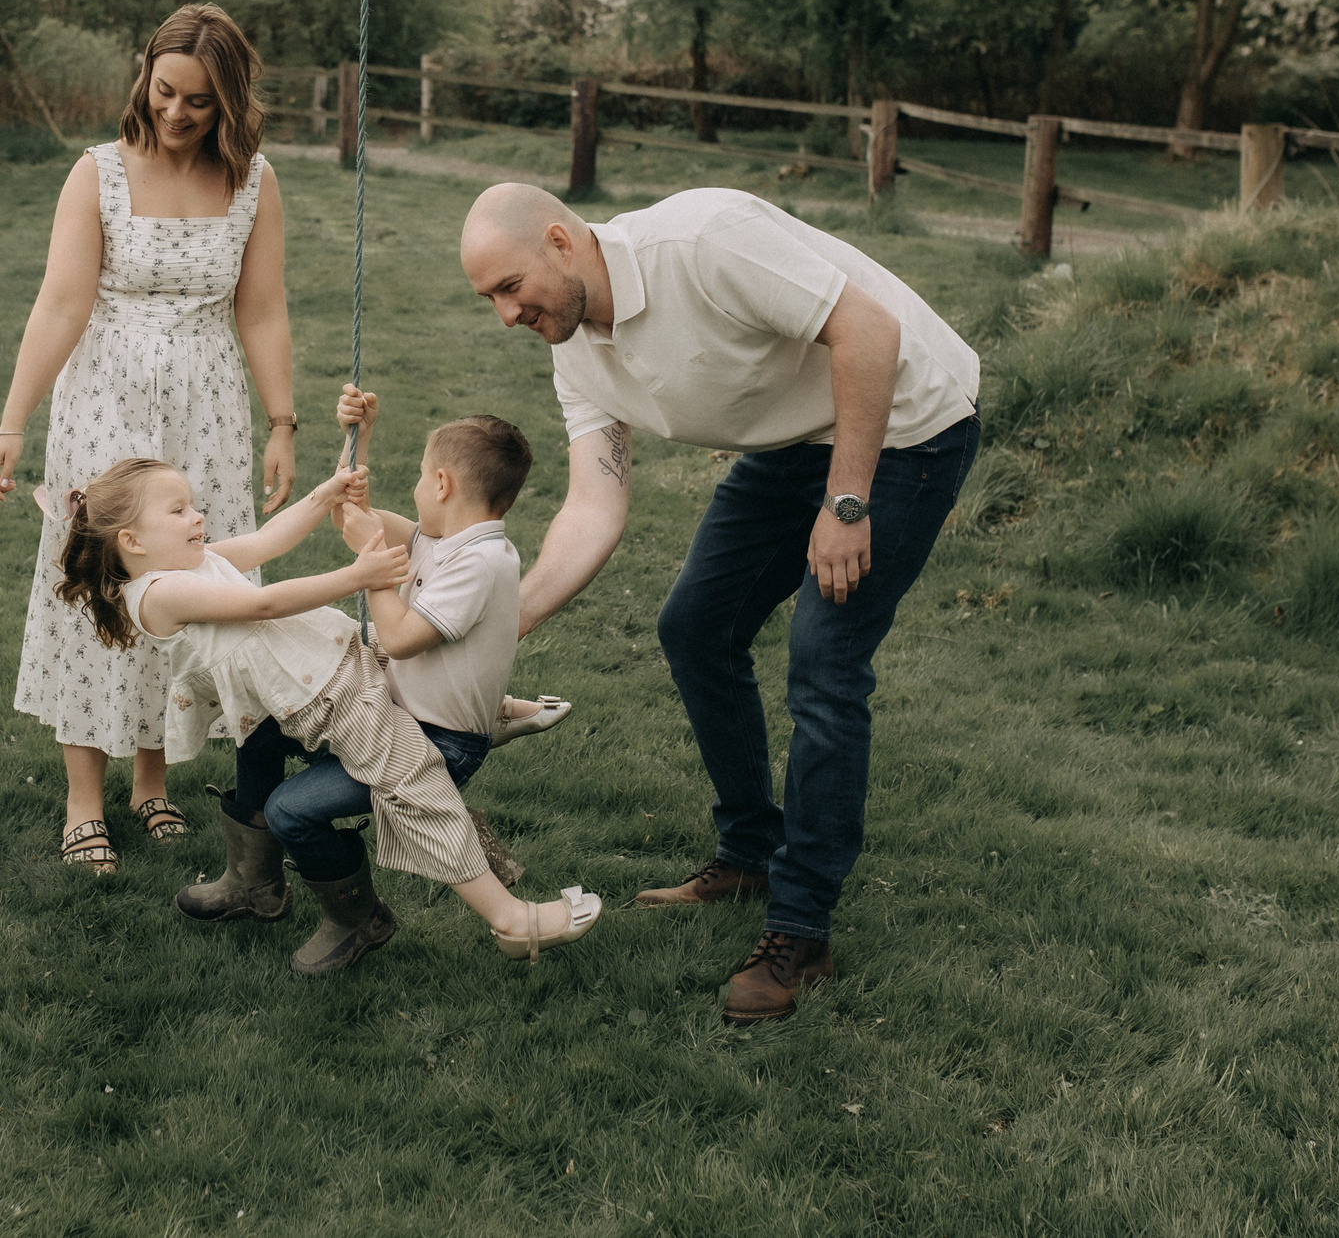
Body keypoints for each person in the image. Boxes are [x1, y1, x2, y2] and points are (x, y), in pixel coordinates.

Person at [460, 182, 980, 1024]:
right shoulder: (576, 351)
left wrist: (848, 504)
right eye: (489, 298)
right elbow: (595, 503)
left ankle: (801, 929)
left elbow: (870, 328)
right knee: (696, 626)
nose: (505, 314)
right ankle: (751, 851)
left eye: (510, 287)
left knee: (825, 656)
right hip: (793, 439)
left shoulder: (703, 242)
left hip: (907, 424)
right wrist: (501, 622)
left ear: (561, 241)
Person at [55, 456, 604, 972]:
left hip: (341, 671)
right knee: (414, 790)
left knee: (395, 665)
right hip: (336, 703)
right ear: (132, 541)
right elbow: (263, 604)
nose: (197, 515)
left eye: (192, 504)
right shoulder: (162, 592)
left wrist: (325, 495)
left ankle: (486, 715)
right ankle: (509, 919)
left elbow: (270, 541)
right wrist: (357, 577)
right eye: (178, 511)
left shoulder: (194, 562)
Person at [0, 4, 299, 874]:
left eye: (199, 101)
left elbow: (262, 309)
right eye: (165, 91)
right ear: (144, 76)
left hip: (209, 407)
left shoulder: (253, 182)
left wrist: (281, 421)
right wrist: (14, 420)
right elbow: (60, 303)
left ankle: (151, 780)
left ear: (228, 103)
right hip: (106, 399)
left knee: (190, 578)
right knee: (102, 583)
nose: (176, 113)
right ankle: (85, 793)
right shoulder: (96, 174)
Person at [178, 388, 571, 955]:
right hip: (390, 712)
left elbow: (403, 640)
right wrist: (359, 437)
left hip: (438, 742)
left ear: (442, 485)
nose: (413, 487)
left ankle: (357, 919)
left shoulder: (482, 562)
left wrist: (375, 576)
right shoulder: (438, 538)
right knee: (261, 724)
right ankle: (253, 883)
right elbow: (350, 516)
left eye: (419, 475)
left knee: (292, 810)